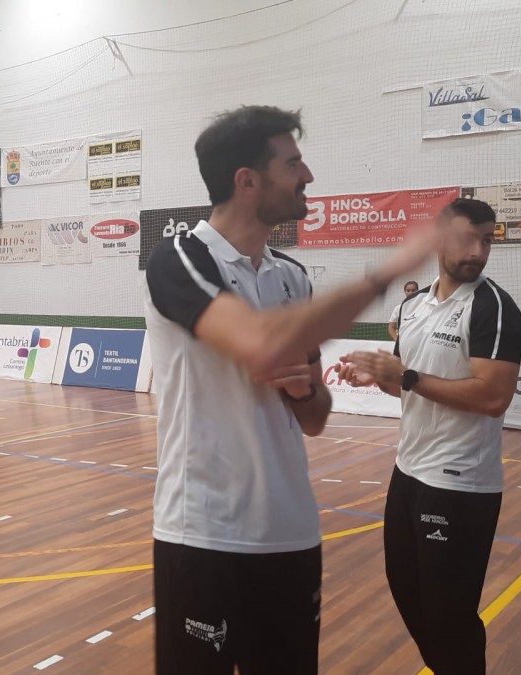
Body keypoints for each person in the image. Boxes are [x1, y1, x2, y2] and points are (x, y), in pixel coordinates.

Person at [143, 105, 439, 674]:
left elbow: (316, 419)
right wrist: (386, 272)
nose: (307, 176)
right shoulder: (179, 259)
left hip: (291, 533)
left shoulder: (292, 276)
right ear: (247, 181)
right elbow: (259, 343)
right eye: (293, 164)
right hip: (202, 533)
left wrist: (304, 391)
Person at [336, 198, 521, 675]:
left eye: (487, 241)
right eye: (468, 239)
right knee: (406, 588)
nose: (478, 251)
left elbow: (492, 397)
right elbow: (409, 384)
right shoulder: (412, 306)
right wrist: (379, 378)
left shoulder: (494, 309)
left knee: (448, 615)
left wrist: (406, 376)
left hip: (460, 484)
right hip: (409, 471)